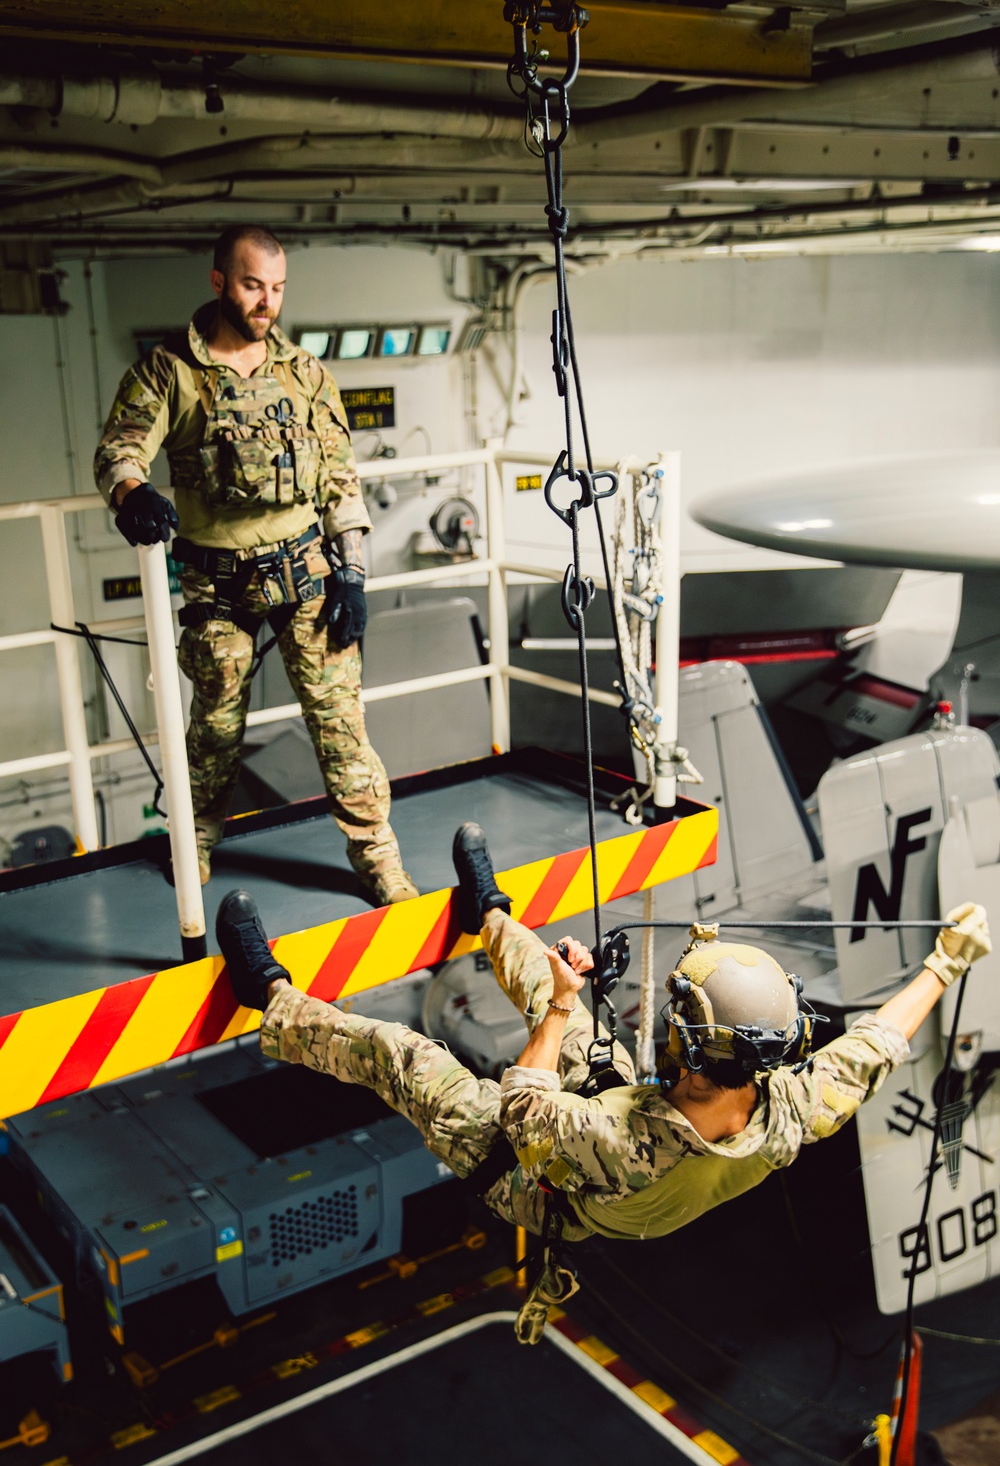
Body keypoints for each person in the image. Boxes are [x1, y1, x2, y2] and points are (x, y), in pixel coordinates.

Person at [217, 822, 990, 1341]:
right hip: (613, 1150)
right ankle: (484, 911)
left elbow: (525, 1105)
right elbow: (877, 1044)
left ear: (687, 1058)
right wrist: (947, 960)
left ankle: (273, 1002)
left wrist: (559, 1003)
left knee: (407, 1057)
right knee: (564, 1006)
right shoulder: (787, 1107)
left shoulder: (616, 1140)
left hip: (532, 1171)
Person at [93, 224, 416, 904]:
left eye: (276, 289)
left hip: (304, 576)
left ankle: (377, 859)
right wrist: (133, 491)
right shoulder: (168, 372)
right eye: (251, 285)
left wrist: (353, 574)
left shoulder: (304, 375)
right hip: (217, 584)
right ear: (218, 282)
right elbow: (120, 449)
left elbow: (341, 483)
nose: (266, 302)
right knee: (213, 728)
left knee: (341, 726)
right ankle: (195, 842)